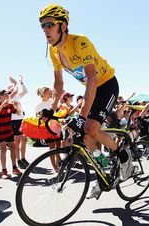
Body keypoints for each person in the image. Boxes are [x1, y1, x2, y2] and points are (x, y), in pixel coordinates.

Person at [39, 4, 131, 199]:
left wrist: (81, 115)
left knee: (89, 127)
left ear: (62, 26)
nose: (45, 29)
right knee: (86, 137)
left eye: (49, 24)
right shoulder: (54, 51)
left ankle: (123, 154)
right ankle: (103, 173)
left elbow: (92, 78)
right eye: (42, 26)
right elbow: (58, 83)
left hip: (106, 85)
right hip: (91, 89)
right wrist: (52, 110)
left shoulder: (80, 42)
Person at [0, 89, 22, 179]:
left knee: (13, 147)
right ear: (0, 96)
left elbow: (18, 112)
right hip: (0, 130)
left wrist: (17, 106)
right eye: (6, 95)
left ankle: (14, 168)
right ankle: (4, 171)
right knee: (3, 149)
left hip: (9, 130)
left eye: (8, 95)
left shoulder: (10, 105)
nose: (8, 96)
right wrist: (2, 105)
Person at [9, 75, 30, 169]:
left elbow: (25, 91)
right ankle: (18, 160)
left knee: (24, 140)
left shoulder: (17, 97)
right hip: (14, 121)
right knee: (17, 141)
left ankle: (23, 158)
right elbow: (16, 91)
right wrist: (15, 83)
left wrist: (21, 82)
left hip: (21, 120)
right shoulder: (9, 98)